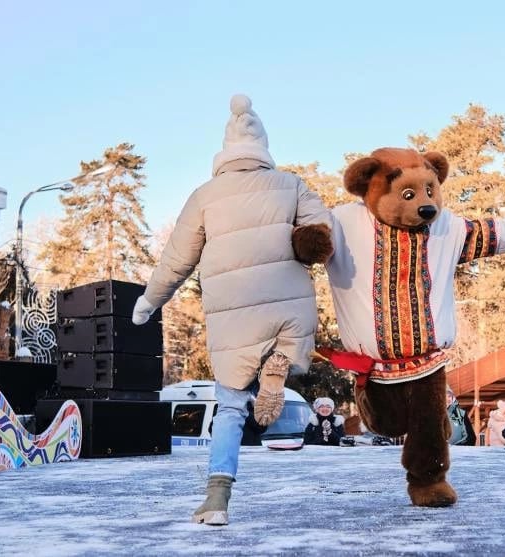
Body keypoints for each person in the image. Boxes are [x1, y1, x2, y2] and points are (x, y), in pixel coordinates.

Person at [131, 94, 332, 526]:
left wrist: (150, 301)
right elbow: (324, 230)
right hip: (287, 300)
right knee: (291, 332)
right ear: (263, 149)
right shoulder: (292, 183)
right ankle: (281, 361)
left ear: (224, 153)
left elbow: (176, 259)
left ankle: (217, 499)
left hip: (232, 315)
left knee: (231, 407)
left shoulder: (204, 195)